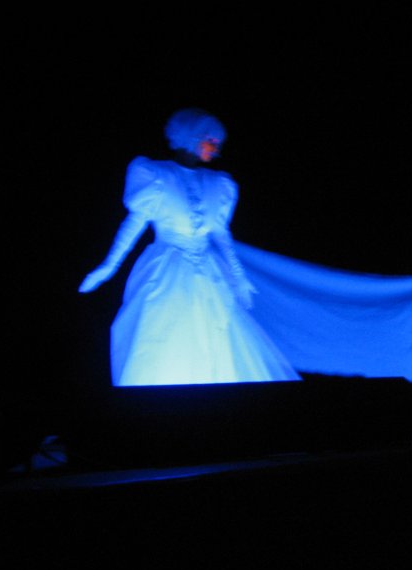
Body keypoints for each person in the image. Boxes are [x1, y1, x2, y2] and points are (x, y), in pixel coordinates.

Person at [79, 107, 301, 386]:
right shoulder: (156, 176)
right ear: (193, 137)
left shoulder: (218, 184)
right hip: (167, 269)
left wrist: (239, 277)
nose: (216, 149)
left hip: (207, 273)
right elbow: (134, 224)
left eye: (217, 144)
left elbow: (221, 235)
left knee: (212, 335)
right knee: (164, 329)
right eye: (211, 141)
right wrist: (108, 267)